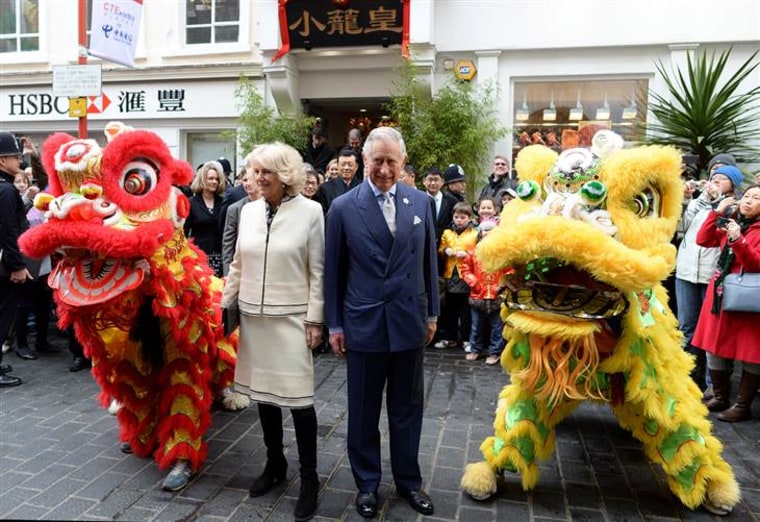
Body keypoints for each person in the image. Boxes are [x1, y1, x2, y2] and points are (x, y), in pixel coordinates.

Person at [324, 126, 439, 519]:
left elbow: (429, 264)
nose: (385, 169)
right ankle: (367, 484)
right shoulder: (342, 208)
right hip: (364, 323)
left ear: (403, 162)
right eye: (378, 161)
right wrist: (335, 325)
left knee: (407, 409)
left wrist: (433, 312)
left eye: (392, 161)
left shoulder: (420, 202)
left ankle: (409, 481)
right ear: (363, 162)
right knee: (363, 411)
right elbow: (334, 272)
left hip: (408, 321)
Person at [221, 142, 324, 521]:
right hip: (253, 316)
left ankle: (310, 478)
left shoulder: (312, 212)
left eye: (265, 171)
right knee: (263, 398)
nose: (258, 178)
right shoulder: (246, 211)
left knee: (299, 401)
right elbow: (236, 264)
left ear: (285, 174)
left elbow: (319, 270)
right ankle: (275, 463)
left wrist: (315, 320)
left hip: (292, 318)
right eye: (254, 171)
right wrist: (225, 305)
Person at [692, 183, 760, 422]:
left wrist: (739, 241)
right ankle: (720, 396)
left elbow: (755, 264)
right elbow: (703, 239)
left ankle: (742, 406)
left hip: (749, 299)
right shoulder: (731, 221)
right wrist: (717, 212)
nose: (749, 201)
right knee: (714, 345)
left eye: (756, 198)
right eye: (747, 196)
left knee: (751, 352)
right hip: (721, 295)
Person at [675, 160, 741, 391]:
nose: (715, 182)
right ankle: (689, 380)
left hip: (713, 275)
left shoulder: (736, 207)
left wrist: (718, 205)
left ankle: (716, 387)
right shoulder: (701, 202)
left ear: (733, 185)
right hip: (685, 270)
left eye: (721, 179)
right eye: (713, 178)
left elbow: (720, 232)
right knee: (687, 328)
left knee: (714, 332)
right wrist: (698, 200)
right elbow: (681, 227)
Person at [0, 131, 29, 387]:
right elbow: (8, 231)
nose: (19, 161)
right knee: (3, 315)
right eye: (15, 156)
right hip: (4, 267)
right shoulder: (6, 190)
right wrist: (17, 266)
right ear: (2, 161)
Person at [458, 219, 509, 365]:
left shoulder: (503, 254)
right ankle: (475, 349)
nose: (488, 233)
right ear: (480, 232)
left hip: (496, 296)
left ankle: (495, 352)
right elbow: (465, 269)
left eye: (491, 230)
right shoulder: (473, 252)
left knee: (497, 327)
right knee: (476, 326)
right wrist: (474, 283)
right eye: (485, 230)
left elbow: (510, 271)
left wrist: (501, 285)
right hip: (477, 295)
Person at [435, 202, 478, 350]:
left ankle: (467, 339)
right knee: (449, 308)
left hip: (466, 275)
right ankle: (449, 337)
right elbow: (440, 248)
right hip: (449, 274)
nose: (459, 220)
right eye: (456, 217)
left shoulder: (474, 233)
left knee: (466, 309)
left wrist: (467, 254)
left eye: (463, 217)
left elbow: (479, 251)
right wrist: (445, 250)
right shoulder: (447, 233)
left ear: (469, 218)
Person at [184, 160, 227, 277]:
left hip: (219, 255)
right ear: (203, 179)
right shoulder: (191, 203)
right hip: (198, 255)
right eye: (211, 178)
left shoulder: (223, 203)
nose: (214, 182)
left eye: (217, 179)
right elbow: (184, 232)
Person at [221, 151, 261, 276]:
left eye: (250, 180)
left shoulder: (270, 205)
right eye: (244, 180)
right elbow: (228, 243)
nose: (247, 184)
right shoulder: (235, 209)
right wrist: (227, 273)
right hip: (241, 267)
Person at [314, 148, 361, 215]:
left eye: (350, 165)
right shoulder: (325, 188)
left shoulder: (363, 187)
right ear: (338, 166)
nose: (346, 168)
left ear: (356, 166)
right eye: (343, 164)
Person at [423, 167, 458, 246]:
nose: (433, 183)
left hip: (445, 245)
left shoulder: (452, 201)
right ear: (424, 182)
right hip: (424, 245)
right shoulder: (418, 200)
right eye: (430, 179)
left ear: (442, 182)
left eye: (436, 180)